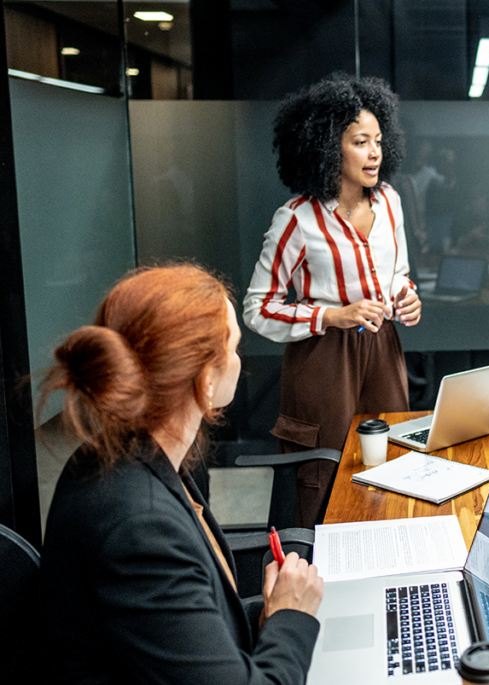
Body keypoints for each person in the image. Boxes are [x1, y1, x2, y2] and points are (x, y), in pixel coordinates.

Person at [36, 264, 323, 683]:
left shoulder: (123, 455)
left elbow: (185, 631)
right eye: (235, 348)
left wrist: (273, 611)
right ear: (206, 380)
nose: (240, 362)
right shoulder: (139, 528)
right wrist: (290, 617)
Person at [244, 73, 421, 528]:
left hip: (383, 349)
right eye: (361, 141)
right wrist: (331, 315)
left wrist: (406, 297)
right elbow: (257, 306)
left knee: (390, 463)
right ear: (327, 147)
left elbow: (398, 275)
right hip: (323, 357)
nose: (375, 152)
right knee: (321, 474)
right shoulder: (296, 220)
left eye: (378, 140)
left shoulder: (391, 202)